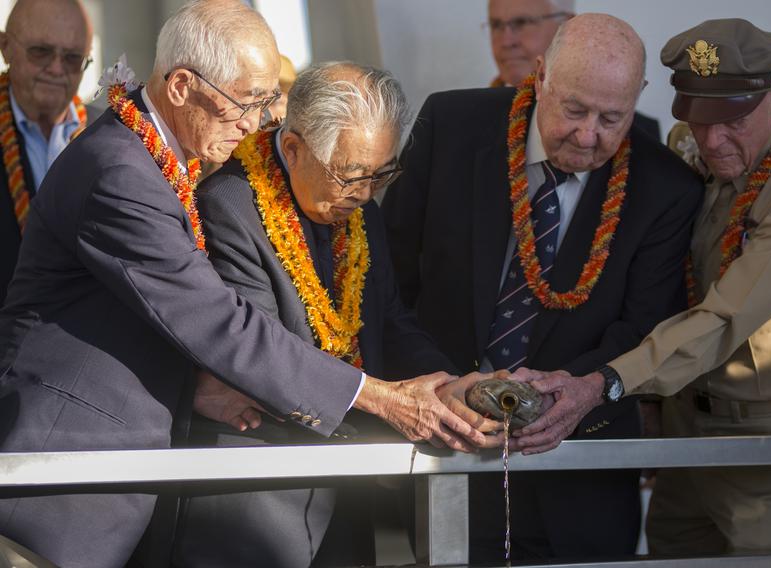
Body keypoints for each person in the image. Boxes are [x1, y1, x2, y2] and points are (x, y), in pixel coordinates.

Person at [0, 2, 484, 567]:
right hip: (65, 472)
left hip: (117, 473)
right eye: (245, 102)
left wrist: (443, 387)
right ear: (181, 86)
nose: (256, 124)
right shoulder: (120, 171)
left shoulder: (157, 160)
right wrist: (377, 397)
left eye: (264, 104)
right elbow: (218, 321)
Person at [382, 13, 703, 562]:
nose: (588, 135)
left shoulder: (665, 185)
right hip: (446, 448)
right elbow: (389, 284)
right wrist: (440, 386)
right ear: (540, 75)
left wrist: (577, 393)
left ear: (638, 98)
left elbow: (645, 326)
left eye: (611, 117)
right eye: (574, 110)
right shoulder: (454, 126)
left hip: (582, 476)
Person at [529, 18, 771, 555]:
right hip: (681, 427)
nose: (712, 139)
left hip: (760, 441)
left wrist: (607, 380)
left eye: (733, 120)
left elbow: (723, 317)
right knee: (671, 557)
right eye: (698, 121)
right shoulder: (690, 148)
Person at [173, 61, 493, 568]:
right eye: (351, 174)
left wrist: (444, 387)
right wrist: (387, 400)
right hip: (253, 500)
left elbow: (388, 320)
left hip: (345, 490)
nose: (366, 194)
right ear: (294, 147)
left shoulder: (357, 208)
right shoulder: (228, 207)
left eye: (381, 174)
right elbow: (263, 360)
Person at [0, 0, 96, 305]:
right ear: (5, 47)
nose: (56, 68)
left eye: (72, 58)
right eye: (40, 51)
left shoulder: (111, 133)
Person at [486, 0, 660, 140]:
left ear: (567, 23)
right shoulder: (468, 119)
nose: (506, 42)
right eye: (496, 25)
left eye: (522, 22)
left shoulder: (643, 135)